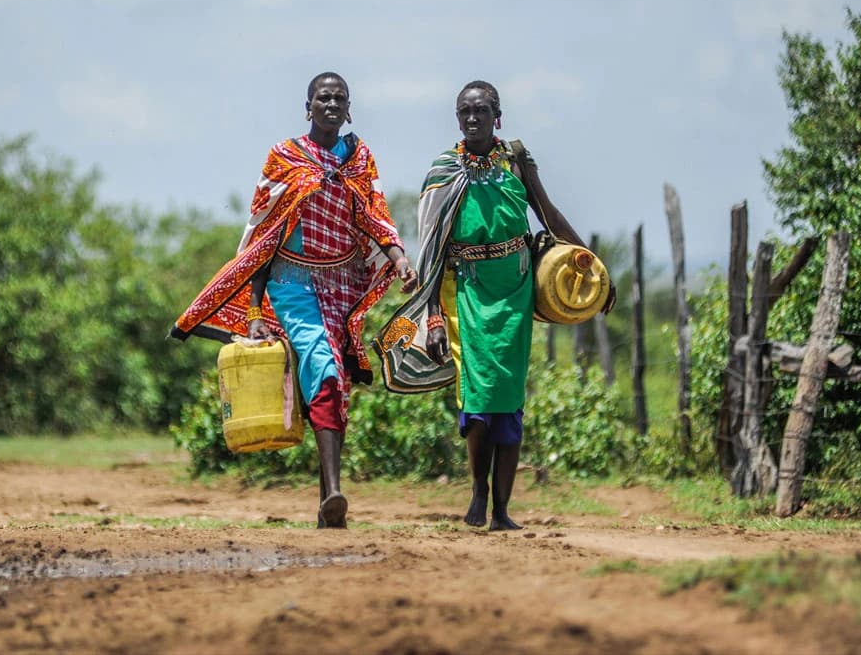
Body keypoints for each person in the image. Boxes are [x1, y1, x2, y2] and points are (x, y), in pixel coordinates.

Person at [171, 71, 417, 528]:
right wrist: (252, 310)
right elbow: (265, 237)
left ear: (349, 108)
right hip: (292, 285)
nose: (331, 104)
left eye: (339, 98)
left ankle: (328, 504)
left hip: (344, 287)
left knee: (335, 385)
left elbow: (375, 217)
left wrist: (399, 259)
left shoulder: (360, 159)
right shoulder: (284, 158)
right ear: (308, 106)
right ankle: (336, 492)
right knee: (323, 368)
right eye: (323, 97)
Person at [374, 80, 613, 530]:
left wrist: (596, 268)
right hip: (463, 294)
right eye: (464, 111)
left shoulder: (517, 162)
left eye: (481, 110)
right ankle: (479, 493)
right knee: (478, 400)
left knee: (508, 400)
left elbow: (549, 215)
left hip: (515, 294)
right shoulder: (444, 171)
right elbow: (430, 250)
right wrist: (432, 317)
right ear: (457, 118)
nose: (472, 118)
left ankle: (503, 509)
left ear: (497, 116)